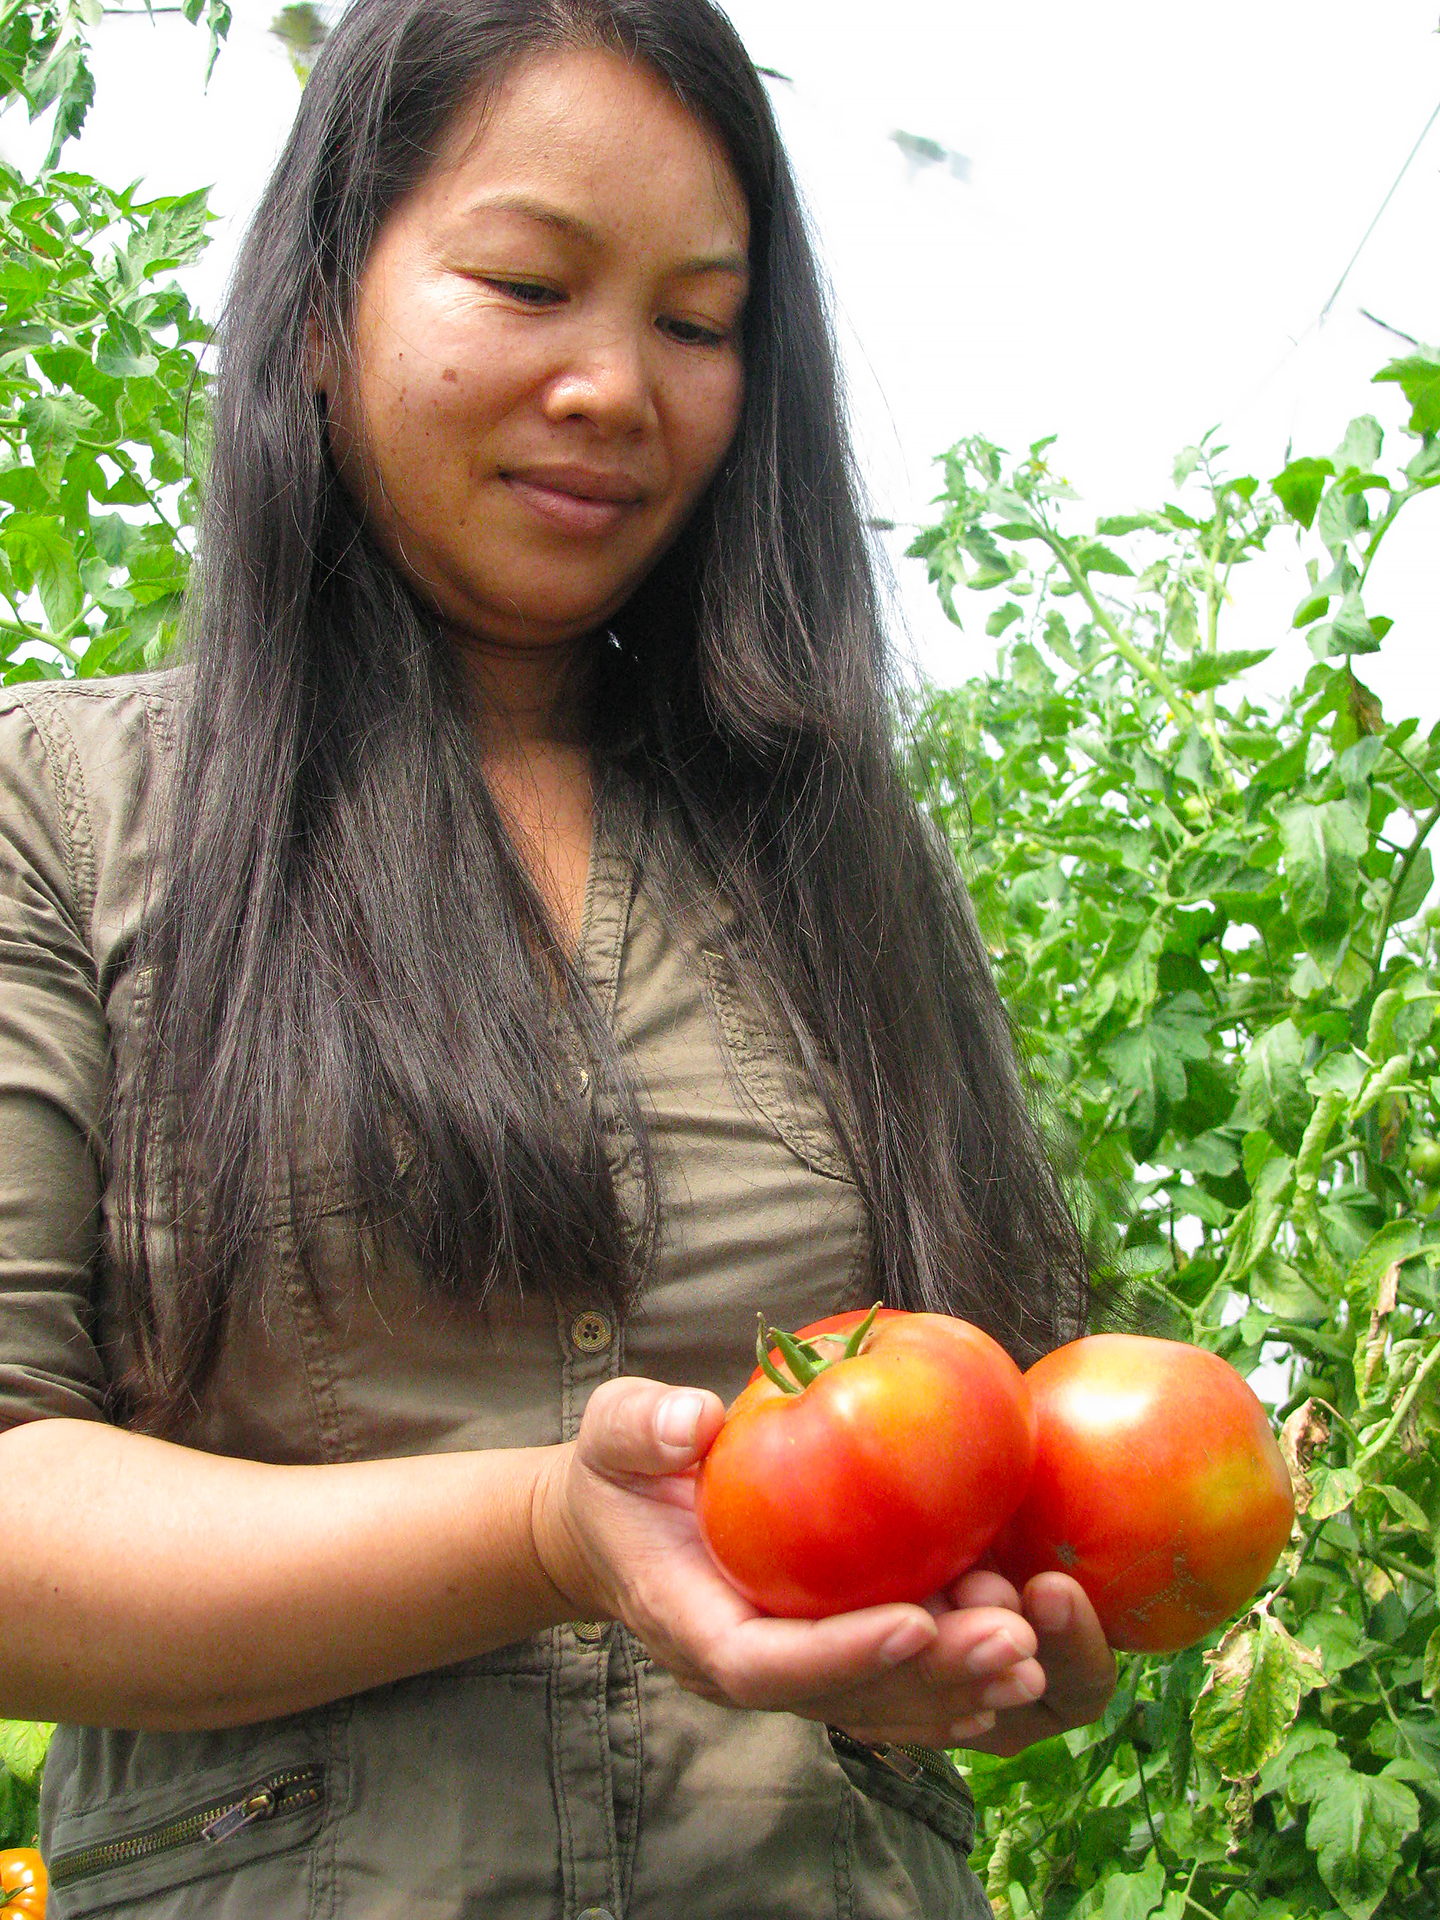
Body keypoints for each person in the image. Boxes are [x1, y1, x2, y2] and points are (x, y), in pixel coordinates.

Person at [0, 0, 1117, 1912]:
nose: (616, 386)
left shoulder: (842, 866)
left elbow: (996, 1441)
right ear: (321, 302)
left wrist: (1004, 1625)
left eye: (696, 322)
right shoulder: (67, 806)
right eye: (526, 283)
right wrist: (547, 1529)